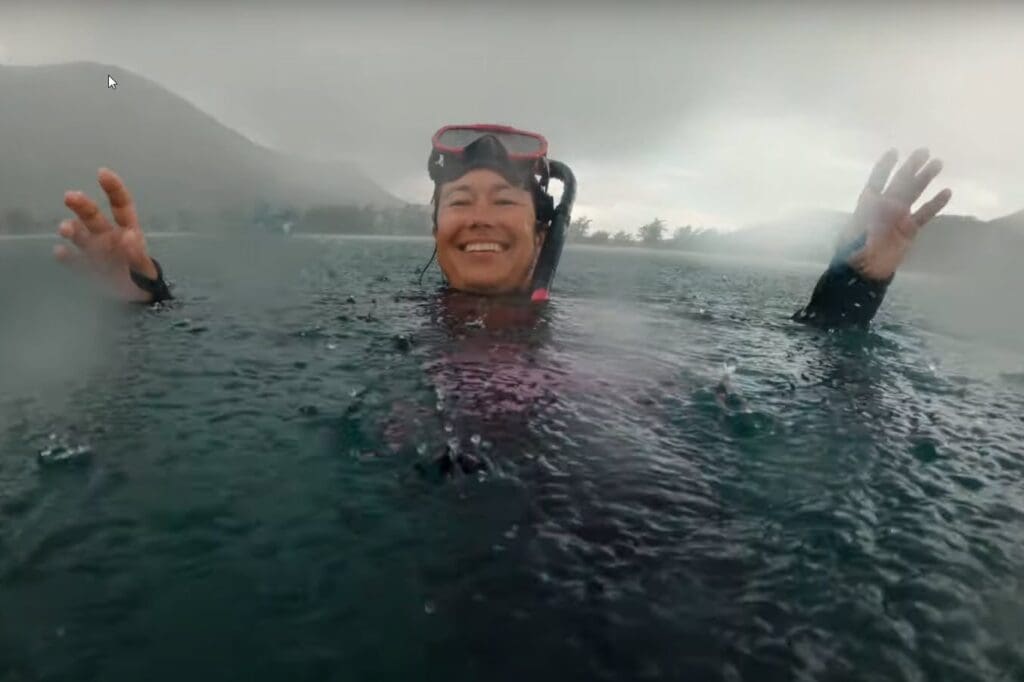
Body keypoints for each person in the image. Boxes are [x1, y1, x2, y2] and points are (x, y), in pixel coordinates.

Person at [52, 124, 952, 329]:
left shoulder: (608, 333)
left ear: (541, 222)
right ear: (435, 229)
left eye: (504, 202)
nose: (480, 218)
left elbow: (804, 354)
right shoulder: (377, 328)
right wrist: (140, 295)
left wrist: (857, 278)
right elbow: (217, 346)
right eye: (460, 204)